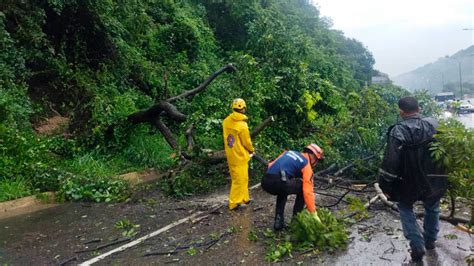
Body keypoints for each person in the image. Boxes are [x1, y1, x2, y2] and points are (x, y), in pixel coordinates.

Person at [378, 96, 447, 263]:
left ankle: (417, 243)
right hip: (431, 178)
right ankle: (430, 241)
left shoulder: (398, 131)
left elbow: (391, 160)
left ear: (401, 112)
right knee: (432, 205)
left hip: (407, 180)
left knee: (405, 207)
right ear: (419, 110)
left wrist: (384, 183)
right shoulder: (432, 125)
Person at [261, 144, 324, 230]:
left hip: (265, 181)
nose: (316, 163)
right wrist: (313, 213)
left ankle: (278, 222)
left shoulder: (288, 152)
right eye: (317, 160)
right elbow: (308, 192)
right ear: (313, 156)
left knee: (284, 186)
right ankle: (295, 222)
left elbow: (270, 165)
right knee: (301, 187)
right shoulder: (306, 165)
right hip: (278, 183)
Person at [223, 98, 255, 210]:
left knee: (242, 178)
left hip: (231, 154)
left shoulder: (226, 121)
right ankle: (234, 203)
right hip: (240, 155)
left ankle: (244, 198)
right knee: (239, 180)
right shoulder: (242, 125)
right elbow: (247, 142)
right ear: (244, 108)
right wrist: (251, 149)